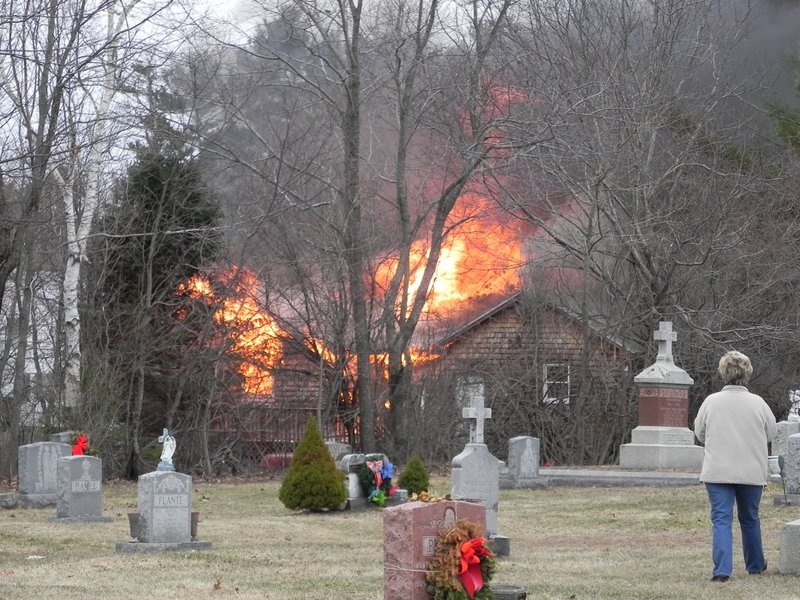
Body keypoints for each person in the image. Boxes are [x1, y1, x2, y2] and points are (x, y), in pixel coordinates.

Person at [694, 350, 777, 582]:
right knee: (750, 518)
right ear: (747, 373)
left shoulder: (711, 402)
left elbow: (700, 433)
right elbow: (771, 432)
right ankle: (755, 564)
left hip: (717, 470)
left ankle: (722, 570)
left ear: (723, 373)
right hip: (751, 470)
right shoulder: (758, 403)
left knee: (721, 519)